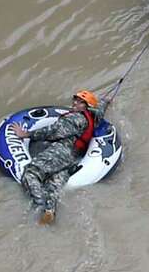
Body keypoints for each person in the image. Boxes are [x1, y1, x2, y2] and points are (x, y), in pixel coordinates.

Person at [10, 90, 102, 225]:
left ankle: (39, 204)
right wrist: (106, 103)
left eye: (81, 102)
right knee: (52, 184)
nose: (75, 103)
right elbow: (101, 108)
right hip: (73, 158)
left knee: (31, 173)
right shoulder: (93, 117)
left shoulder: (74, 118)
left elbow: (53, 131)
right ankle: (49, 211)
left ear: (87, 107)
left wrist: (26, 134)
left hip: (61, 151)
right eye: (75, 99)